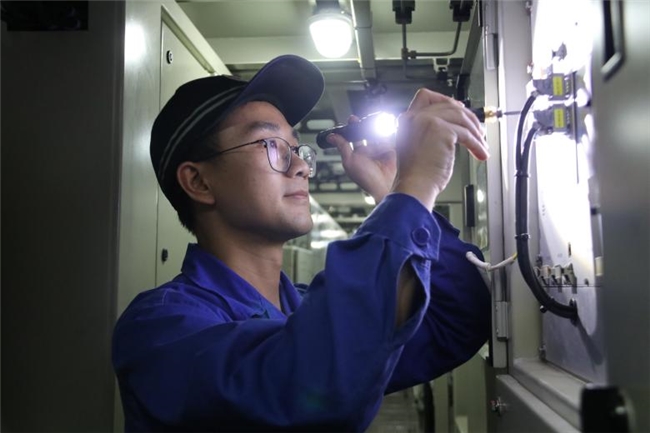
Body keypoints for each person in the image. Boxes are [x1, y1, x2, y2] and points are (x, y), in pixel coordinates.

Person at [112, 54, 491, 432]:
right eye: (270, 145)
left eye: (296, 149)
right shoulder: (159, 329)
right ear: (198, 182)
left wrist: (392, 190)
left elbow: (455, 319)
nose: (302, 167)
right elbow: (308, 388)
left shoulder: (303, 308)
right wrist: (412, 190)